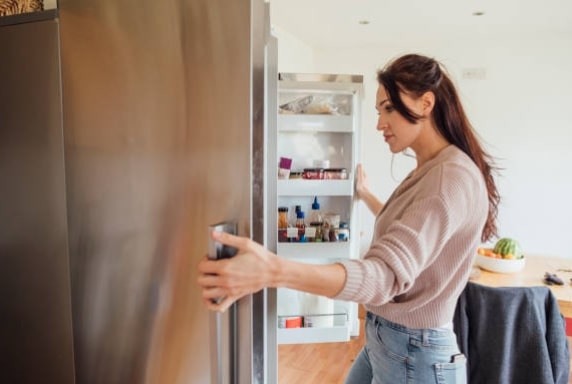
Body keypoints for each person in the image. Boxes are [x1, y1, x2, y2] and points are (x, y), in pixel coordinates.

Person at [197, 53, 499, 383]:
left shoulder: (448, 178)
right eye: (378, 110)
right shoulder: (435, 169)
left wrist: (272, 270)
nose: (380, 123)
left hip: (416, 354)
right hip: (393, 341)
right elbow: (411, 228)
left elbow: (383, 277)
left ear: (426, 103)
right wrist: (366, 194)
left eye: (389, 109)